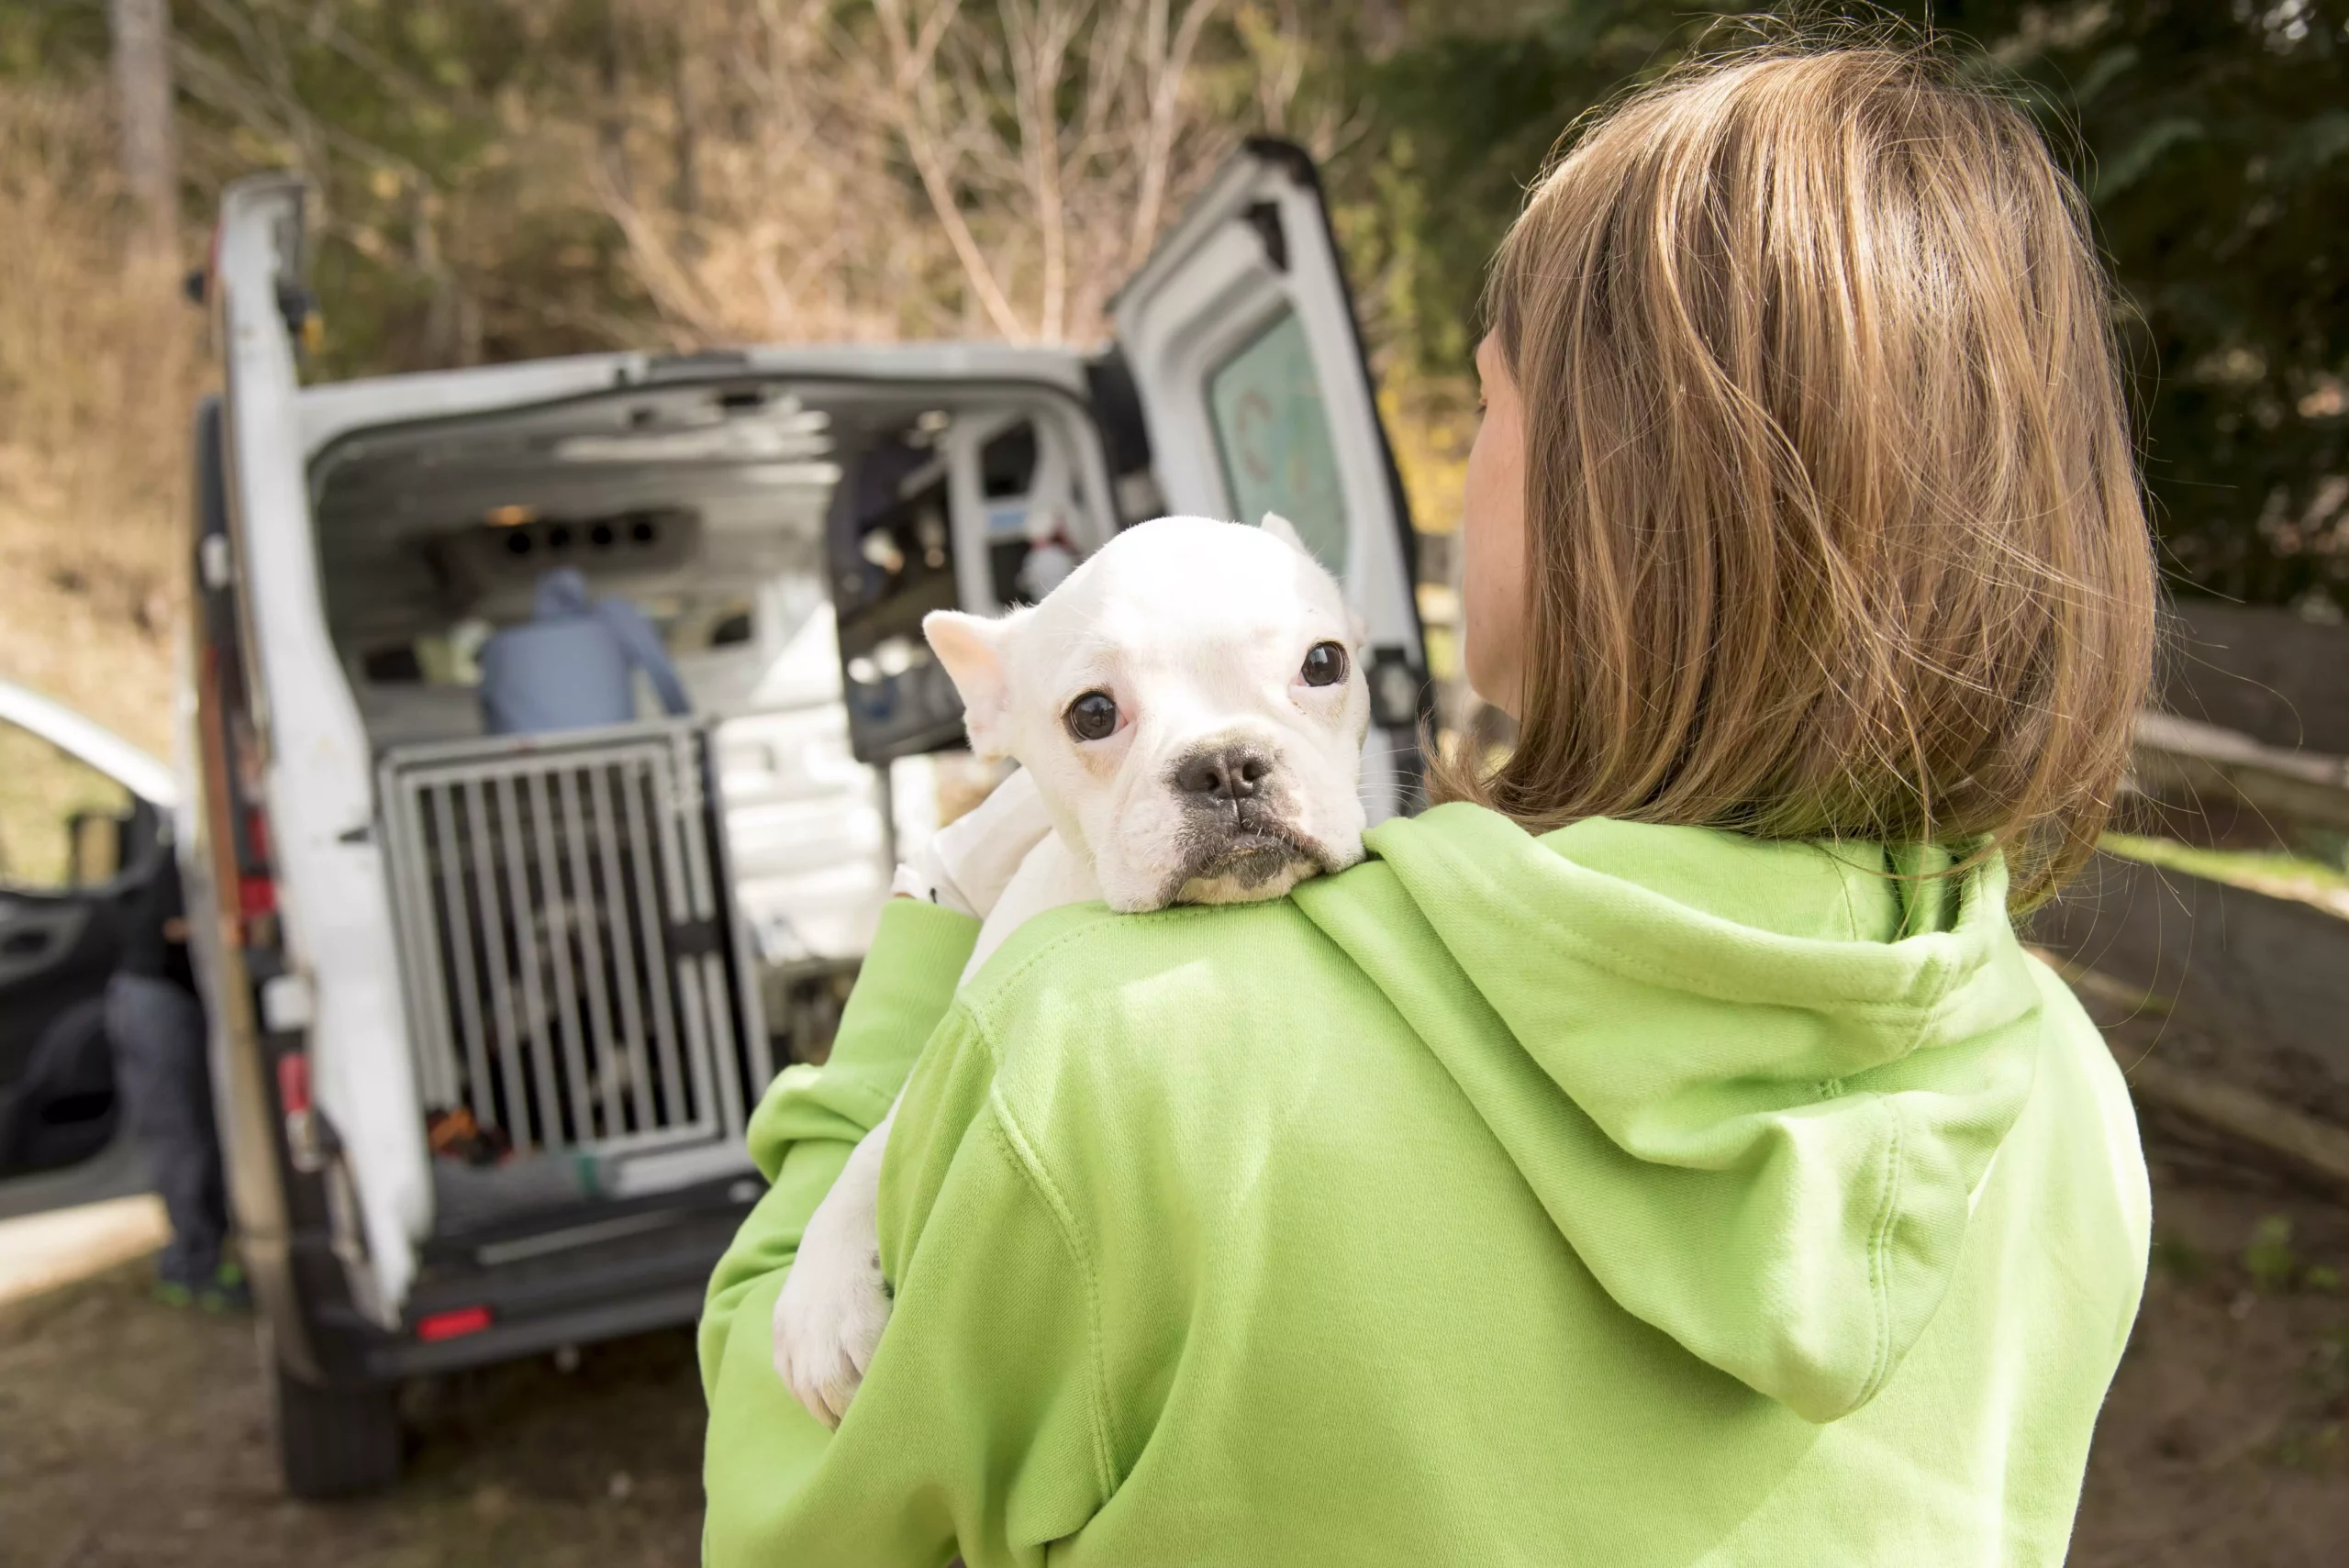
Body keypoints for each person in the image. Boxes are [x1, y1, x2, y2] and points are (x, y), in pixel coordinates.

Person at [701, 41, 2155, 1567]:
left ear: (1608, 487)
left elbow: (784, 1493)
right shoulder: (2059, 1089)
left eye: (1487, 401)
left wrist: (942, 905)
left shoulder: (1109, 1041)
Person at [106, 846, 244, 1310]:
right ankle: (192, 1269)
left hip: (164, 1000)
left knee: (197, 1133)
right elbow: (176, 927)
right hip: (157, 1000)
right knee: (183, 1138)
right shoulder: (190, 846)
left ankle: (203, 1256)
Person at [477, 566, 692, 735]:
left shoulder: (502, 647)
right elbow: (662, 674)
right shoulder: (613, 622)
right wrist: (685, 723)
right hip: (612, 748)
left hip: (530, 758)